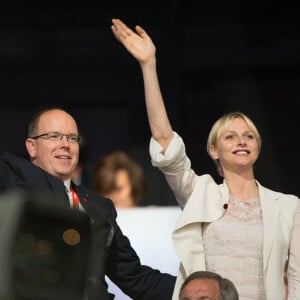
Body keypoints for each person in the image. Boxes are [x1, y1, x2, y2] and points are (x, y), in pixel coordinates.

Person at [111, 18, 300, 300]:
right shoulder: (200, 192)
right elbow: (165, 140)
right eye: (230, 136)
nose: (240, 141)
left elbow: (297, 277)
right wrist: (148, 66)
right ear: (214, 150)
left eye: (248, 136)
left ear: (257, 148)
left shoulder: (288, 206)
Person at [0, 107, 176, 299]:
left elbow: (135, 277)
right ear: (32, 146)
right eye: (54, 136)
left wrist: (189, 288)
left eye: (72, 138)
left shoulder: (100, 207)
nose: (65, 144)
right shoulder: (11, 177)